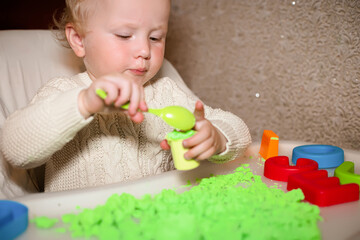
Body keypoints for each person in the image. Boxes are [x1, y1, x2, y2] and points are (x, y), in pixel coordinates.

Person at [0, 0, 251, 192]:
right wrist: (84, 104)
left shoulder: (166, 93)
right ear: (78, 40)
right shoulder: (64, 93)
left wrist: (217, 138)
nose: (144, 50)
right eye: (124, 35)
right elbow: (15, 149)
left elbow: (240, 131)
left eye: (155, 37)